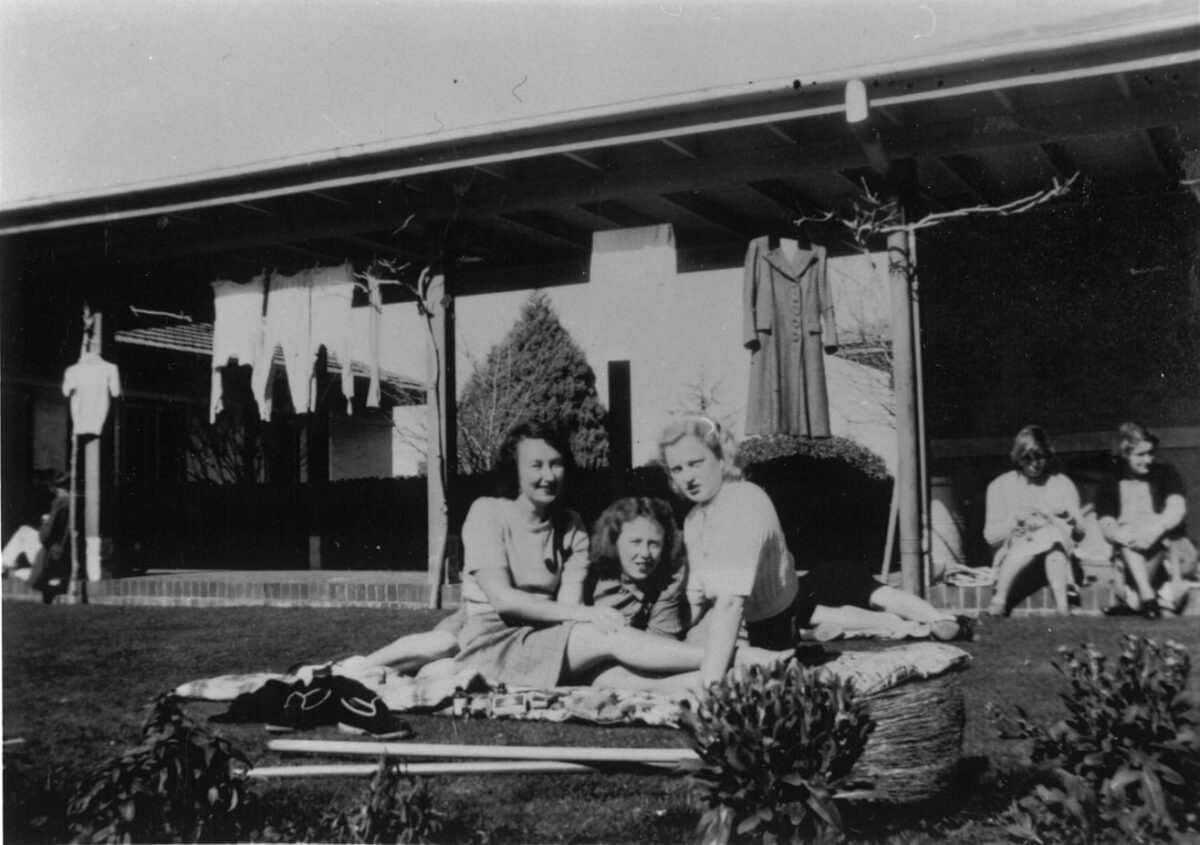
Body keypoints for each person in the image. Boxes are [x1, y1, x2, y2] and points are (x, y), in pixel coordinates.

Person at [454, 419, 788, 695]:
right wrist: (588, 615)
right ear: (515, 469)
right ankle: (743, 659)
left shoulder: (571, 526)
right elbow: (503, 600)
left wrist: (582, 618)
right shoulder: (487, 512)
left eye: (556, 464)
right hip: (493, 645)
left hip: (546, 638)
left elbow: (568, 613)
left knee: (609, 676)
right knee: (605, 636)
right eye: (536, 465)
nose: (548, 475)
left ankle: (730, 683)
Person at [659, 416, 964, 687]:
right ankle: (904, 624)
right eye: (677, 469)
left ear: (721, 458)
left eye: (696, 463)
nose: (688, 477)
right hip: (761, 609)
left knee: (764, 669)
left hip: (774, 616)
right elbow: (696, 596)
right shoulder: (695, 519)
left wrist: (708, 686)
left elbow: (729, 605)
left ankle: (932, 619)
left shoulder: (742, 501)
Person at [1096, 422, 1197, 617]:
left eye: (1150, 453)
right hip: (1132, 553)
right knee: (1125, 532)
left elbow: (1176, 508)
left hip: (1167, 550)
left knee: (1142, 530)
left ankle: (1138, 601)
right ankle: (1148, 597)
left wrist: (1154, 529)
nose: (1148, 460)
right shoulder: (1109, 482)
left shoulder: (1166, 473)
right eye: (1140, 455)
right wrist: (1119, 534)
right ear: (1125, 454)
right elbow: (1106, 523)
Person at [983, 425, 1085, 616]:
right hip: (1013, 561)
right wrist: (1016, 522)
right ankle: (1062, 606)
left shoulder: (1061, 483)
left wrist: (1069, 519)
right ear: (1018, 458)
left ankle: (1001, 599)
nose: (1035, 464)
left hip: (1055, 561)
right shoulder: (1000, 486)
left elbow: (1080, 535)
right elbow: (990, 537)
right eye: (1028, 458)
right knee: (1050, 536)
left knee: (1052, 536)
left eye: (1040, 457)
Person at [583, 496, 688, 640]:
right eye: (636, 542)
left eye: (654, 544)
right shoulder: (588, 575)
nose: (645, 553)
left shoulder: (667, 586)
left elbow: (660, 647)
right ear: (614, 542)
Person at [21, 471, 73, 604]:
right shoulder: (73, 502)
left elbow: (45, 537)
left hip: (53, 553)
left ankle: (3, 567)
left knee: (24, 531)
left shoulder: (59, 502)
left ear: (57, 488)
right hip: (65, 552)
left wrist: (45, 521)